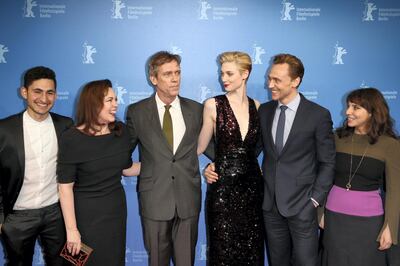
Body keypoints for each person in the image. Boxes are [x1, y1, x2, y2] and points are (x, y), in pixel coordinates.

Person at [205, 53, 336, 266]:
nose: (270, 84)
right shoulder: (264, 111)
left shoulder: (317, 115)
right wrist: (216, 164)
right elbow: (246, 151)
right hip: (269, 206)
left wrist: (314, 200)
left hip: (302, 204)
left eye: (277, 80)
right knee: (277, 262)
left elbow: (328, 162)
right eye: (269, 78)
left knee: (305, 262)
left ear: (295, 81)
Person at [126, 51, 213, 266]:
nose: (175, 78)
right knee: (157, 261)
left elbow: (212, 148)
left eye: (177, 72)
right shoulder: (136, 112)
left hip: (187, 200)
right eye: (167, 74)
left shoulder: (195, 109)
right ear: (153, 79)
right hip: (154, 200)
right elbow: (122, 155)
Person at [57, 79, 140, 266]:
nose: (116, 104)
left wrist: (163, 164)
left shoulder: (120, 132)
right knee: (81, 263)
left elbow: (126, 169)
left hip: (115, 211)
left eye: (116, 99)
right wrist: (72, 230)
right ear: (93, 103)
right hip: (85, 217)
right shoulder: (71, 138)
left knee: (113, 260)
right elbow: (65, 188)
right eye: (110, 100)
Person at [0, 66, 73, 265]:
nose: (44, 98)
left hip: (56, 214)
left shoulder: (67, 125)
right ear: (24, 92)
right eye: (37, 91)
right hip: (18, 217)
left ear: (56, 95)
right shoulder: (4, 129)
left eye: (50, 92)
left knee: (67, 262)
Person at [197, 51, 264, 265]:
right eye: (221, 73)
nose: (223, 78)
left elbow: (258, 148)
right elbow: (200, 146)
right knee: (222, 250)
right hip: (223, 190)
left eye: (229, 73)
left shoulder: (258, 107)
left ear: (245, 74)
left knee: (251, 249)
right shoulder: (213, 105)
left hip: (253, 190)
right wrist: (209, 166)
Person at [320, 88, 400, 266]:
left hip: (369, 223)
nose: (347, 112)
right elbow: (324, 177)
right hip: (334, 218)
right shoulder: (337, 138)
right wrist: (320, 212)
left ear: (372, 112)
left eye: (355, 108)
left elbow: (395, 190)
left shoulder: (390, 145)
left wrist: (390, 227)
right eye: (348, 106)